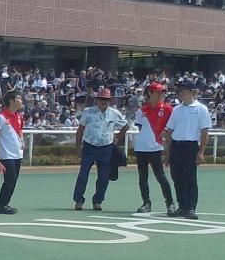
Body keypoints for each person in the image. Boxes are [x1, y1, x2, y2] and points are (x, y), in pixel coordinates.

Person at [161, 80, 212, 220]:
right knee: (176, 177)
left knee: (189, 178)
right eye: (180, 89)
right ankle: (182, 206)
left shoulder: (201, 109)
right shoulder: (177, 109)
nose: (181, 92)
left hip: (190, 146)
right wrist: (167, 153)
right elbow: (170, 131)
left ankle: (190, 207)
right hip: (176, 146)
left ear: (192, 92)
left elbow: (204, 133)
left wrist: (201, 152)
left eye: (184, 89)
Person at [71, 87, 127, 211]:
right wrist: (78, 147)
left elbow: (125, 126)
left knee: (103, 176)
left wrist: (117, 139)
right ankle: (78, 200)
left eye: (105, 99)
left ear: (109, 101)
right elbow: (80, 130)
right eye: (101, 99)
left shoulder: (114, 113)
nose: (103, 101)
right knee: (83, 174)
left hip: (106, 148)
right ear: (96, 100)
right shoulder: (88, 112)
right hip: (89, 147)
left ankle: (98, 201)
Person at [131, 81, 175, 215]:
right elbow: (139, 128)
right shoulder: (142, 110)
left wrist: (167, 149)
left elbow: (171, 129)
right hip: (141, 148)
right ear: (150, 93)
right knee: (142, 177)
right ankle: (146, 203)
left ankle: (170, 203)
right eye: (157, 92)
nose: (161, 95)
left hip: (156, 148)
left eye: (162, 92)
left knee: (160, 176)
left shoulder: (168, 109)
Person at [0, 91, 25, 214]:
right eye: (19, 98)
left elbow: (20, 130)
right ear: (11, 101)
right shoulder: (0, 117)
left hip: (17, 154)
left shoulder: (18, 116)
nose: (21, 101)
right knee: (10, 179)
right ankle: (1, 205)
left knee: (13, 180)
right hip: (6, 155)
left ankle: (5, 204)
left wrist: (22, 140)